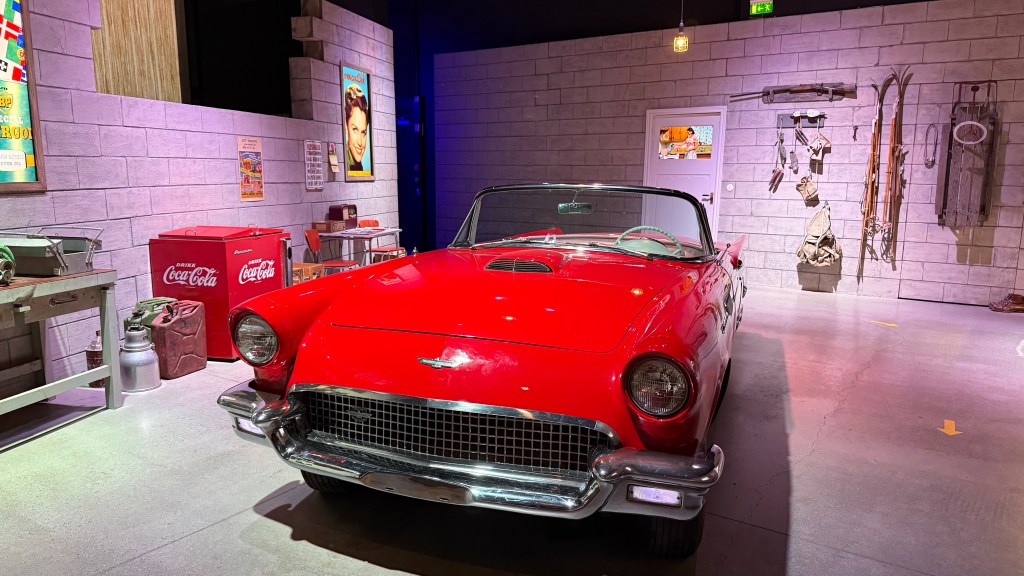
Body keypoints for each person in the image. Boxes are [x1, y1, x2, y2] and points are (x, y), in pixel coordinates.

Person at [345, 85, 370, 172]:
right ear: (346, 125)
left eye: (363, 133)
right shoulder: (346, 164)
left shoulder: (357, 164)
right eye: (355, 129)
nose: (360, 142)